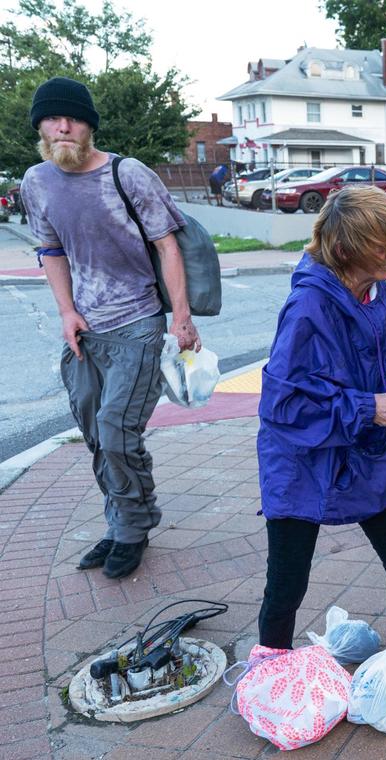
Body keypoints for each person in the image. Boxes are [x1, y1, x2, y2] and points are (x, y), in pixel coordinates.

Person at [21, 76, 199, 579]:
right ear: (40, 127)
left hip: (138, 322)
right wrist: (66, 312)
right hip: (85, 331)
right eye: (52, 119)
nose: (62, 126)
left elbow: (168, 247)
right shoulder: (37, 182)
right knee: (96, 436)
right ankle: (121, 519)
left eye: (73, 119)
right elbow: (51, 251)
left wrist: (181, 317)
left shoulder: (128, 174)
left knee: (117, 432)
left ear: (89, 127)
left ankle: (133, 529)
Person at [256, 185, 386, 646]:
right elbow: (282, 406)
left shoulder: (381, 293)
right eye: (381, 245)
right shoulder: (308, 307)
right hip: (301, 464)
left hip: (362, 456)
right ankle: (270, 673)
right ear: (344, 248)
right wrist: (367, 406)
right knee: (288, 584)